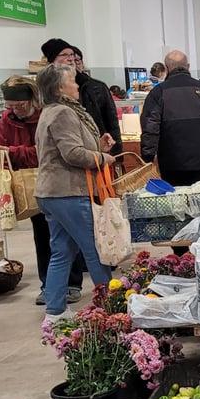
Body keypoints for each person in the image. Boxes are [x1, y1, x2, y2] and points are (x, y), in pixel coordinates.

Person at [33, 63, 117, 322]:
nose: (77, 85)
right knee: (95, 249)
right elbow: (72, 154)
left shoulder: (50, 111)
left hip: (51, 194)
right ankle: (110, 309)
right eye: (72, 81)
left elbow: (68, 148)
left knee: (62, 251)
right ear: (60, 88)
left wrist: (98, 145)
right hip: (67, 193)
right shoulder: (64, 113)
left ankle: (55, 310)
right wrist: (103, 158)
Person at [0, 76, 85, 306]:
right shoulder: (8, 118)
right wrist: (21, 153)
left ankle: (73, 284)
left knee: (68, 236)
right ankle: (49, 286)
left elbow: (45, 152)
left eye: (20, 105)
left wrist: (16, 152)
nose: (15, 110)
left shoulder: (49, 114)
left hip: (59, 183)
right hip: (31, 187)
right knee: (42, 238)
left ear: (33, 99)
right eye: (10, 106)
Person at [140, 50, 200, 187]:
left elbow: (150, 128)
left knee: (177, 204)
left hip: (172, 164)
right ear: (188, 66)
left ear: (166, 68)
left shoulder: (158, 92)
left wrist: (148, 158)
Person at [41, 39, 122, 156]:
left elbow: (112, 122)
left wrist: (117, 153)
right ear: (51, 61)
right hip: (68, 156)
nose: (70, 59)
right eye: (64, 55)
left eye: (72, 55)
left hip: (100, 150)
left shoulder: (97, 87)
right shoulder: (47, 91)